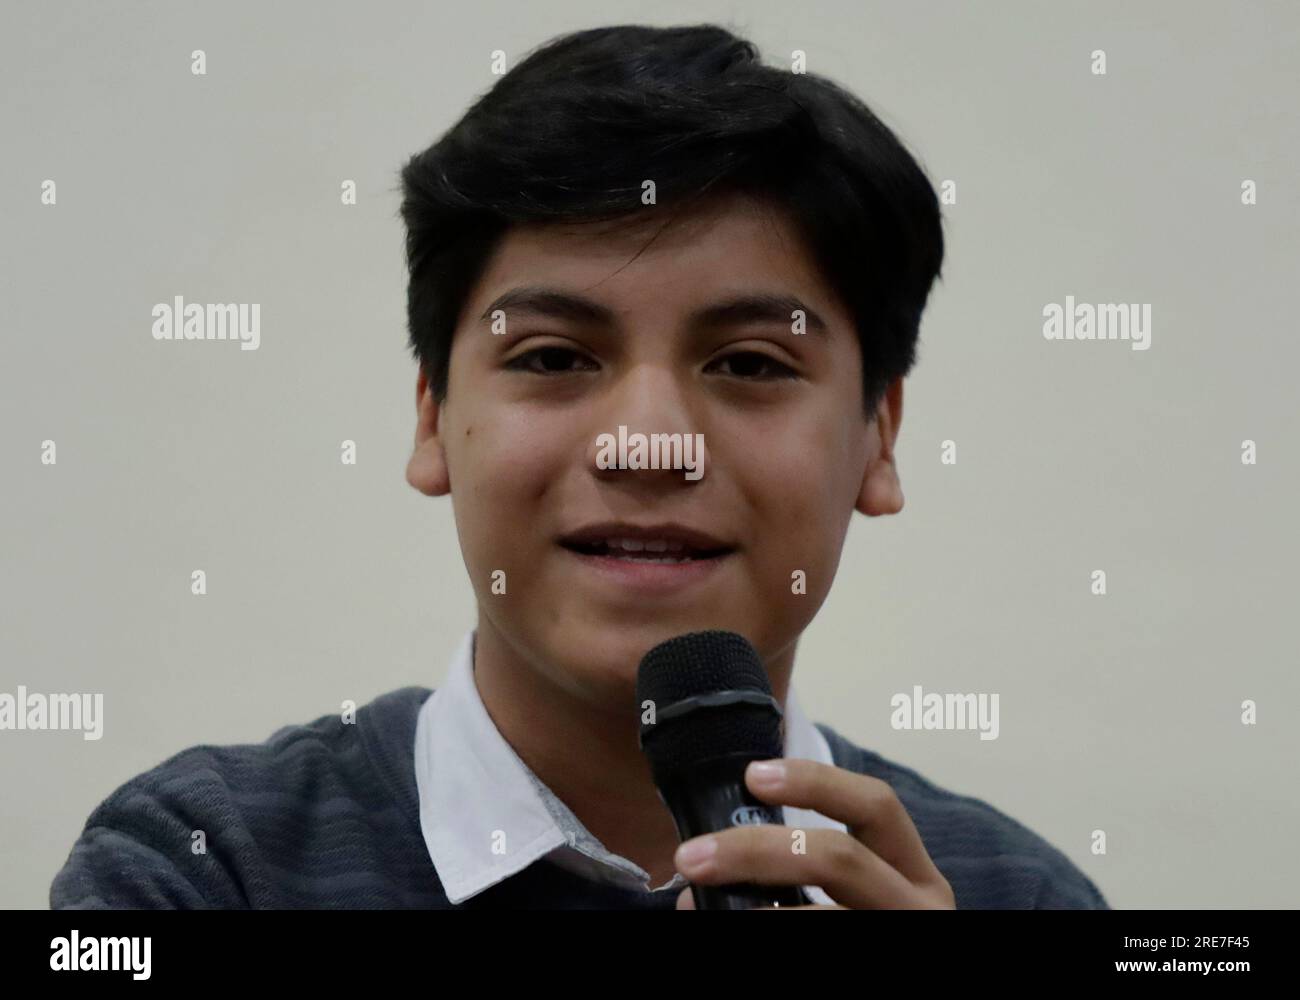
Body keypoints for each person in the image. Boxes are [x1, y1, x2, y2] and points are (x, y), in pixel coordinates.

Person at [50, 22, 1107, 910]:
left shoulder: (1008, 894)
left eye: (748, 362)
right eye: (553, 357)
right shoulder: (200, 867)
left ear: (878, 434)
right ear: (434, 417)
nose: (645, 444)